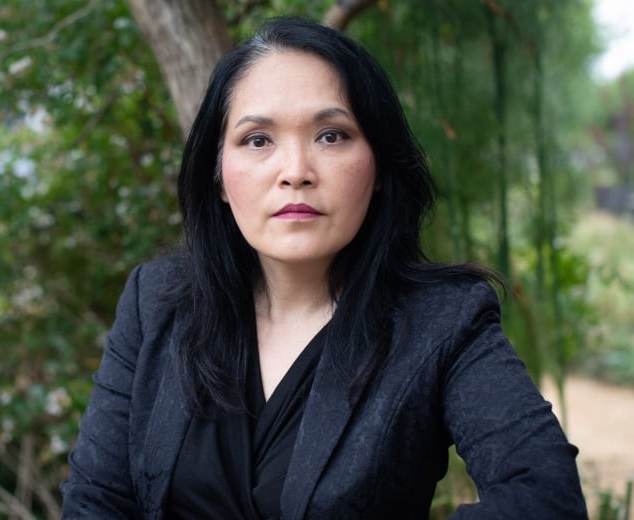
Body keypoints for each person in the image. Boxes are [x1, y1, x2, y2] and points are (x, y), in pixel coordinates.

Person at [60, 17, 587, 519]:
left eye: (331, 135)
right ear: (218, 176)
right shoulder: (154, 304)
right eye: (257, 140)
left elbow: (545, 497)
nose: (295, 172)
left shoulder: (445, 322)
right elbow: (96, 500)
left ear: (379, 166)